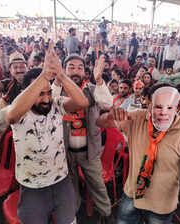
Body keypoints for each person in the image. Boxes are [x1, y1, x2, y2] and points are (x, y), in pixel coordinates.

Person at [96, 83, 180, 224]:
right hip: (131, 195)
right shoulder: (136, 118)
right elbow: (100, 123)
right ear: (148, 103)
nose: (163, 112)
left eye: (170, 107)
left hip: (161, 205)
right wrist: (110, 115)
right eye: (158, 106)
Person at [5, 42, 89, 224]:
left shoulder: (56, 105)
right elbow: (11, 116)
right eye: (40, 94)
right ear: (27, 92)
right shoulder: (19, 111)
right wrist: (43, 75)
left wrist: (61, 75)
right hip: (32, 187)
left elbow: (82, 103)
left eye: (48, 93)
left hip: (61, 181)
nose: (46, 99)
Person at [52, 54, 113, 222]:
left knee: (97, 185)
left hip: (90, 151)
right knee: (70, 186)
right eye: (71, 67)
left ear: (85, 72)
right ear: (64, 70)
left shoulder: (92, 89)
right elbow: (50, 101)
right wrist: (57, 80)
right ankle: (73, 212)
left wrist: (99, 79)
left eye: (80, 68)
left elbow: (107, 104)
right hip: (66, 151)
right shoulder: (58, 90)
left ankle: (106, 214)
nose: (75, 71)